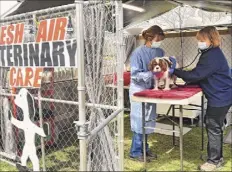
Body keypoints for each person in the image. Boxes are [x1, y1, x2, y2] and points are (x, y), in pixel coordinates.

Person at [169, 26, 232, 171]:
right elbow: (200, 73)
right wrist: (184, 76)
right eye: (198, 40)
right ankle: (216, 156)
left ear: (211, 40)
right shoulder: (211, 53)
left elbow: (197, 75)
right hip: (222, 95)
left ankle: (213, 161)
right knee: (214, 126)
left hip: (220, 97)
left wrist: (175, 71)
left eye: (201, 40)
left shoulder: (212, 56)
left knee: (213, 126)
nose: (199, 42)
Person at [129, 25, 165, 162]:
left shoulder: (160, 51)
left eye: (161, 39)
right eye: (158, 39)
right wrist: (152, 74)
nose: (160, 41)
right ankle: (135, 152)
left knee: (149, 120)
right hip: (139, 91)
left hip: (151, 90)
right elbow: (135, 75)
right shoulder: (138, 53)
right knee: (139, 121)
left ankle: (145, 148)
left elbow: (163, 67)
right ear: (150, 38)